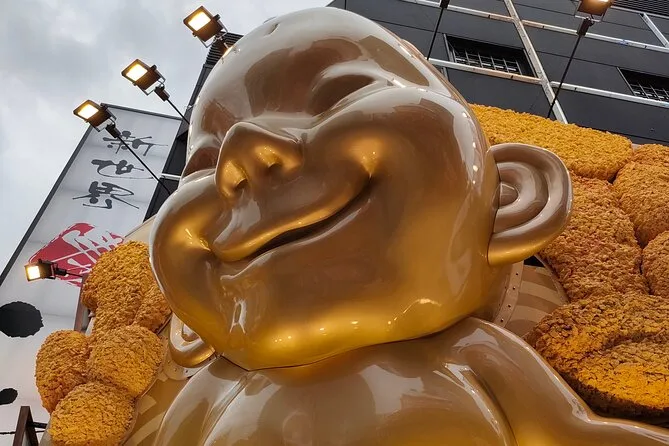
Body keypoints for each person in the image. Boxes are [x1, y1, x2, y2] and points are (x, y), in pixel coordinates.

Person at [150, 7, 669, 445]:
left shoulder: (473, 353)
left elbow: (570, 433)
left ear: (514, 198)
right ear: (188, 327)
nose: (243, 152)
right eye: (203, 163)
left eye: (342, 94)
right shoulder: (213, 391)